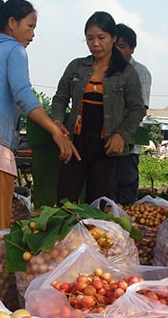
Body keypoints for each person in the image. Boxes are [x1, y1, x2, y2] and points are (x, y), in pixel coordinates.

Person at [0, 0, 79, 229]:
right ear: (12, 22)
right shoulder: (14, 49)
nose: (32, 34)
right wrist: (54, 131)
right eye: (29, 26)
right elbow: (23, 94)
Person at [51, 11, 144, 205]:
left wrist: (122, 135)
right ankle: (64, 235)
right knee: (64, 203)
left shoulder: (127, 73)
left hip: (106, 149)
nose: (95, 44)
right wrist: (58, 123)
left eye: (101, 38)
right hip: (74, 145)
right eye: (90, 38)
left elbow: (136, 109)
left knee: (98, 206)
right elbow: (60, 98)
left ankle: (92, 236)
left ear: (113, 38)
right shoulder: (77, 67)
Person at [108, 23, 152, 205]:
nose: (117, 51)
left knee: (126, 191)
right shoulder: (105, 68)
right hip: (106, 144)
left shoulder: (140, 72)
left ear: (132, 49)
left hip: (129, 144)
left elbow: (140, 109)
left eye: (123, 46)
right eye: (115, 46)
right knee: (106, 192)